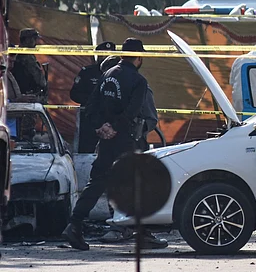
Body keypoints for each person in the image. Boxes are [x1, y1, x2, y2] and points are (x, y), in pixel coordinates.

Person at [62, 38, 167, 250]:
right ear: (139, 56)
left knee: (97, 183)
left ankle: (74, 225)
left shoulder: (106, 76)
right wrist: (115, 127)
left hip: (106, 140)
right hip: (127, 141)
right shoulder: (139, 81)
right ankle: (142, 233)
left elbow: (90, 107)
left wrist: (101, 128)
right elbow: (131, 112)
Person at [70, 41, 117, 153]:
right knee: (87, 151)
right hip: (89, 120)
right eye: (103, 53)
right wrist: (93, 102)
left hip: (111, 120)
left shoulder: (119, 74)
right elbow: (74, 94)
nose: (106, 56)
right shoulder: (88, 72)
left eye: (109, 53)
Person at [11, 28, 47, 102]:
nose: (36, 43)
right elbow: (40, 81)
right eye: (34, 39)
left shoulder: (20, 54)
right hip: (28, 96)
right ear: (27, 40)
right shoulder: (26, 57)